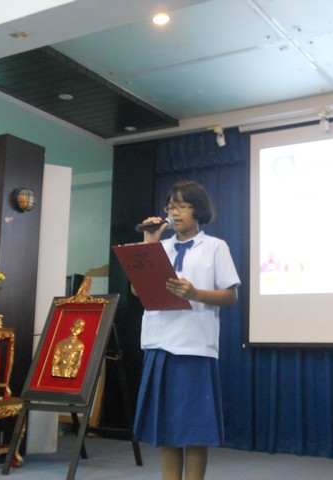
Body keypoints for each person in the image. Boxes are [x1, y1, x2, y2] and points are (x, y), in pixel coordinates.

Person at [132, 180, 240, 480]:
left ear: (198, 210)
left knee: (194, 431)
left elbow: (231, 295)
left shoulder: (215, 247)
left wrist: (195, 294)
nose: (175, 212)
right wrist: (149, 243)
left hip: (194, 347)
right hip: (160, 343)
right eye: (170, 207)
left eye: (182, 206)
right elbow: (137, 290)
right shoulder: (159, 247)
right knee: (166, 430)